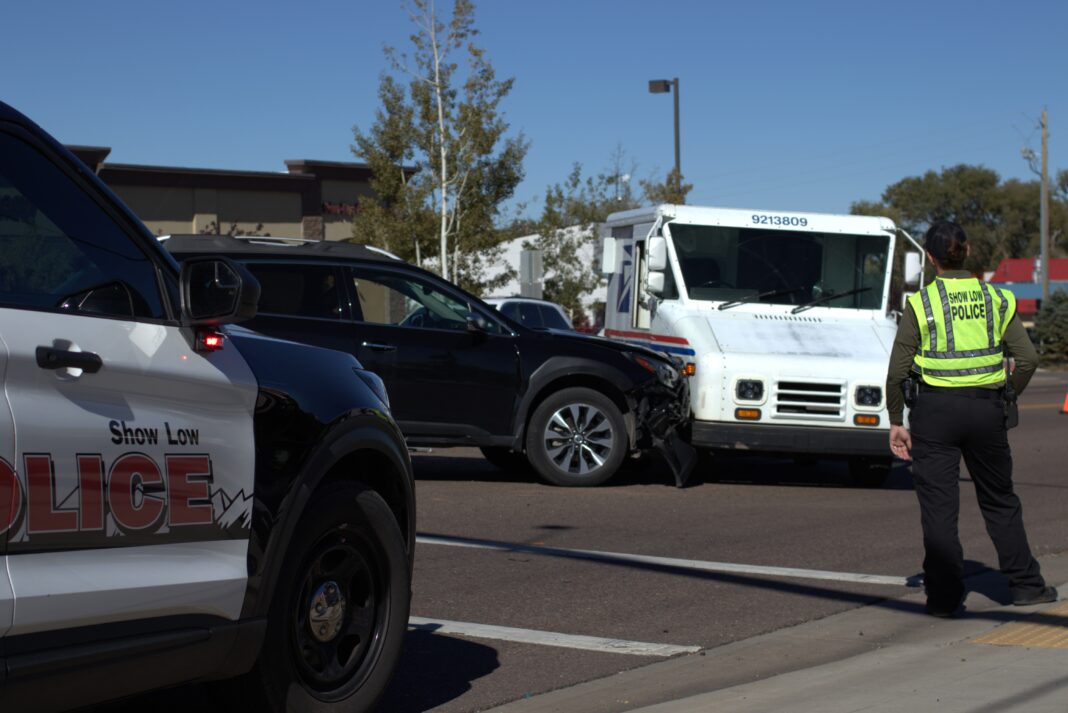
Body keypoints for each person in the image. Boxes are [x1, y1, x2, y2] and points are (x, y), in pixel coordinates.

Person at [886, 220, 1057, 617]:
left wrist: (896, 420)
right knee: (999, 500)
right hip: (985, 410)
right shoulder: (996, 298)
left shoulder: (921, 303)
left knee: (939, 508)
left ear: (930, 258)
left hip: (934, 414)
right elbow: (1028, 359)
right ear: (968, 250)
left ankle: (945, 598)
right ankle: (1026, 586)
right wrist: (1008, 396)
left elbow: (897, 372)